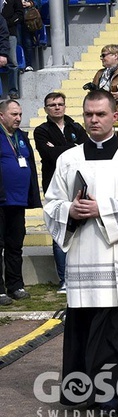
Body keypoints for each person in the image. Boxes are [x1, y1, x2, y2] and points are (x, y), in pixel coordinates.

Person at [43, 90, 118, 417]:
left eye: (101, 114)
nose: (94, 120)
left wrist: (101, 208)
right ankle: (92, 392)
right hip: (85, 260)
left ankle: (111, 397)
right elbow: (52, 205)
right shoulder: (68, 160)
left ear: (115, 115)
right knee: (88, 330)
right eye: (89, 114)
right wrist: (71, 211)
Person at [33, 92, 87, 294]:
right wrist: (71, 147)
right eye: (52, 105)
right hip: (54, 187)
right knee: (59, 233)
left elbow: (84, 151)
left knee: (80, 232)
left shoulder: (76, 127)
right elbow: (48, 155)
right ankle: (64, 280)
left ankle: (80, 275)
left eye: (60, 104)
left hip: (78, 186)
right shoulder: (41, 130)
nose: (56, 107)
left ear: (65, 106)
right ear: (46, 108)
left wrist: (59, 149)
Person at [0, 99, 39, 306]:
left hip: (18, 201)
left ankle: (16, 286)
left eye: (20, 114)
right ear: (1, 115)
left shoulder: (21, 137)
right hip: (1, 200)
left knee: (15, 245)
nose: (18, 118)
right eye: (14, 114)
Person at [1, 0, 22, 99]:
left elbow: (20, 14)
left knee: (12, 63)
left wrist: (7, 23)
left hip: (10, 33)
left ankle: (13, 91)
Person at [17, 0, 37, 71]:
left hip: (28, 19)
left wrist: (30, 3)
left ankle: (28, 64)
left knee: (28, 42)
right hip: (16, 20)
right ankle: (20, 64)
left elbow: (38, 3)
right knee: (18, 42)